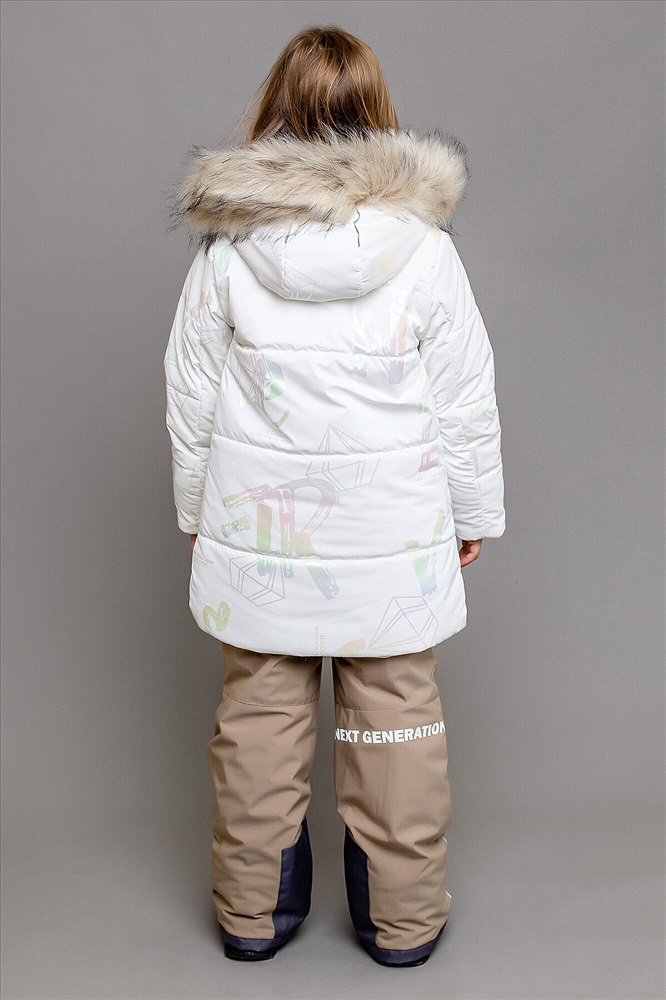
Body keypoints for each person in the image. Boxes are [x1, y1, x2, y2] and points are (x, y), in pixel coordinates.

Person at [164, 24, 506, 968]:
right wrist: (473, 511)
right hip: (391, 541)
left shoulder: (229, 250)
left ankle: (251, 917)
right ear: (378, 116)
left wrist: (197, 512)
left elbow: (190, 394)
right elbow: (465, 396)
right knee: (398, 728)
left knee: (259, 726)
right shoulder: (423, 249)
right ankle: (403, 925)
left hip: (264, 539)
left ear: (276, 111)